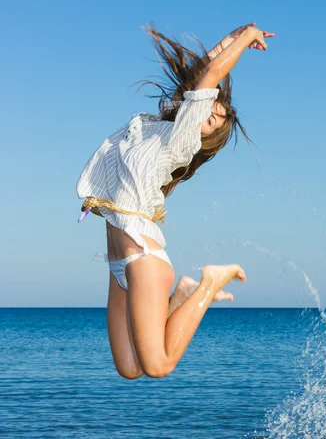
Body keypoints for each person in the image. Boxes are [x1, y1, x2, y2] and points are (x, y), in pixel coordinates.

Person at [77, 22, 274, 379]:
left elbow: (210, 76)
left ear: (206, 136)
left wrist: (245, 41)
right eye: (213, 107)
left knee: (158, 366)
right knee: (129, 369)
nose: (213, 111)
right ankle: (183, 291)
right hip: (118, 265)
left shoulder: (183, 141)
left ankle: (210, 281)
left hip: (144, 258)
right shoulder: (156, 127)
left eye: (215, 121)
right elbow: (202, 73)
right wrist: (235, 35)